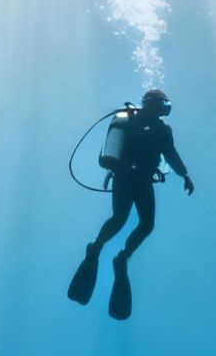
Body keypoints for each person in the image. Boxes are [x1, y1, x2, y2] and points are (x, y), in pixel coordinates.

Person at [68, 88, 194, 320]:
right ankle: (107, 252)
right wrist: (184, 175)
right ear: (155, 104)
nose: (166, 108)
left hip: (132, 178)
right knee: (130, 220)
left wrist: (184, 175)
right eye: (164, 104)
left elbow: (171, 154)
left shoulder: (144, 124)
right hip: (130, 177)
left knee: (138, 222)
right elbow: (172, 156)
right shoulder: (143, 124)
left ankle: (114, 254)